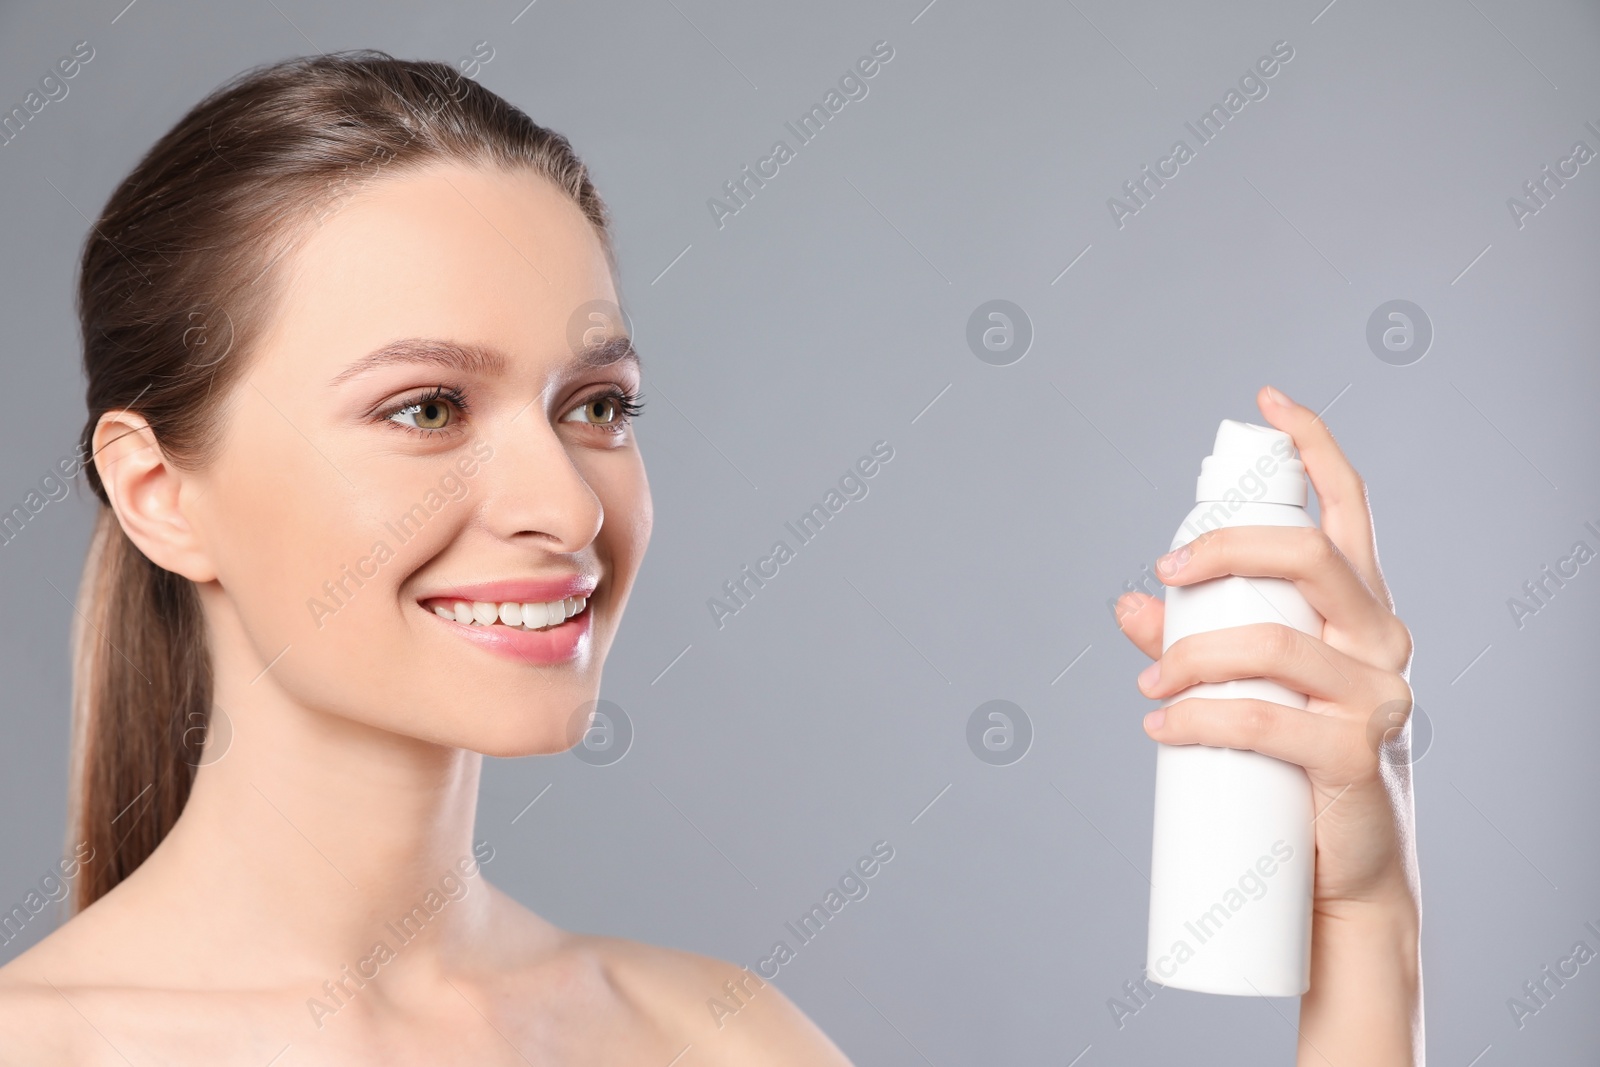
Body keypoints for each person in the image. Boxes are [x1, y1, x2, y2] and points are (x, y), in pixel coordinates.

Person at [0, 51, 1420, 1064]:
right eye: (425, 407)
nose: (565, 503)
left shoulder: (710, 1038)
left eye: (596, 407)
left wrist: (1363, 915)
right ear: (158, 491)